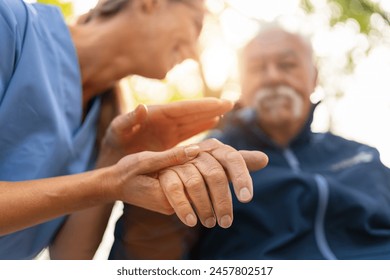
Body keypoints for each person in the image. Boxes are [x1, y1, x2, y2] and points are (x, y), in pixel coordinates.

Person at [0, 0, 268, 260]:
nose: (193, 51)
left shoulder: (110, 124)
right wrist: (108, 182)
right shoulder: (11, 24)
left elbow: (69, 258)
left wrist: (114, 156)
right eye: (196, 24)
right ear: (151, 3)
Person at [110, 26, 390, 260]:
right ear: (241, 84)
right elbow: (140, 262)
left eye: (287, 65)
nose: (272, 77)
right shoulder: (200, 162)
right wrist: (155, 198)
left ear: (313, 77)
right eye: (257, 68)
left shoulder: (362, 155)